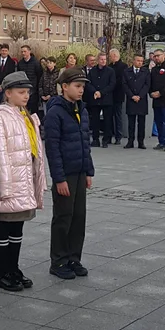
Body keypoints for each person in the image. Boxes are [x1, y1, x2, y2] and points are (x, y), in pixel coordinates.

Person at [0, 72, 46, 291]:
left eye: (28, 92)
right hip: (9, 183)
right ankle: (2, 271)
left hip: (24, 181)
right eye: (21, 92)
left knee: (17, 227)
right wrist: (3, 187)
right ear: (7, 93)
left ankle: (14, 267)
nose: (26, 96)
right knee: (4, 225)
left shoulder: (24, 114)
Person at [45, 67, 94, 280]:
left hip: (80, 170)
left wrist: (88, 170)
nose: (81, 90)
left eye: (83, 86)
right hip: (65, 174)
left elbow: (85, 142)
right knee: (63, 217)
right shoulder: (55, 112)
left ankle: (74, 257)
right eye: (77, 86)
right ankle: (59, 260)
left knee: (78, 217)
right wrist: (59, 178)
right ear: (64, 87)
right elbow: (52, 149)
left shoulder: (81, 110)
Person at [85, 53, 115, 148]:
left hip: (106, 99)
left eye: (105, 59)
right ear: (98, 60)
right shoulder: (92, 71)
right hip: (94, 99)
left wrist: (101, 92)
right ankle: (95, 139)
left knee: (107, 120)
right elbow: (88, 83)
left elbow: (112, 84)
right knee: (95, 120)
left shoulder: (110, 71)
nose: (103, 61)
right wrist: (95, 91)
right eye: (101, 59)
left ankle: (105, 140)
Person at [123, 53, 150, 149]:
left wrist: (140, 96)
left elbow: (147, 85)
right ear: (133, 61)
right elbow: (125, 85)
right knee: (131, 122)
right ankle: (130, 141)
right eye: (138, 61)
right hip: (131, 99)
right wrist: (132, 96)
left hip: (141, 100)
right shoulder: (127, 71)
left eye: (141, 61)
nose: (140, 63)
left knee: (141, 122)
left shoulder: (145, 71)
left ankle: (141, 141)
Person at [0, 43, 17, 108]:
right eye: (3, 50)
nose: (4, 52)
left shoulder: (12, 63)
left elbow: (11, 76)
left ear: (8, 51)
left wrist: (3, 85)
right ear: (0, 51)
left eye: (5, 51)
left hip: (6, 88)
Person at [17, 45, 43, 116]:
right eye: (22, 52)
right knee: (23, 111)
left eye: (25, 51)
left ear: (29, 51)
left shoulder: (36, 63)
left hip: (33, 91)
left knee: (34, 111)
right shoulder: (20, 63)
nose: (23, 53)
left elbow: (39, 75)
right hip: (23, 89)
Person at [109, 48, 127, 145]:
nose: (109, 58)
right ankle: (110, 134)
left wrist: (111, 85)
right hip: (109, 94)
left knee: (118, 116)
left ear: (115, 55)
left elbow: (121, 80)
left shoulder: (123, 66)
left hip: (118, 94)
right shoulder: (109, 66)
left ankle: (118, 136)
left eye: (110, 56)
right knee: (109, 116)